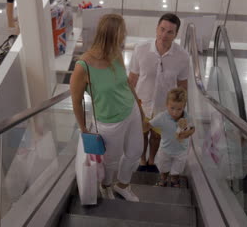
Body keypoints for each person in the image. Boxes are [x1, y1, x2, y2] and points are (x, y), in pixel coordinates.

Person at [70, 14, 144, 202]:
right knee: (110, 162)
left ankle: (123, 185)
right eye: (122, 32)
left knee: (135, 152)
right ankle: (106, 186)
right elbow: (76, 101)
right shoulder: (83, 66)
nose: (125, 35)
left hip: (131, 110)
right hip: (109, 122)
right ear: (112, 35)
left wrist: (140, 109)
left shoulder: (116, 53)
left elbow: (126, 83)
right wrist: (84, 129)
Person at [128, 13, 189, 172]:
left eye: (170, 32)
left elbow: (182, 85)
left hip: (164, 107)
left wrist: (181, 111)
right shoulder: (140, 50)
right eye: (162, 29)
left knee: (156, 137)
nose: (164, 35)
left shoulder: (182, 56)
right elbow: (132, 79)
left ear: (176, 34)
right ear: (156, 28)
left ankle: (151, 160)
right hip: (141, 104)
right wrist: (128, 103)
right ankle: (142, 160)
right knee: (141, 135)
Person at [146, 87, 195, 187]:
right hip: (165, 150)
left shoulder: (187, 117)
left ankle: (174, 181)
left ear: (184, 107)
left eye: (179, 109)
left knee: (176, 171)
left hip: (181, 151)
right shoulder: (161, 117)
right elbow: (148, 125)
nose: (175, 112)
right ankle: (163, 179)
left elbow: (193, 128)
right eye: (172, 108)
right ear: (167, 105)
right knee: (164, 169)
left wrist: (187, 133)